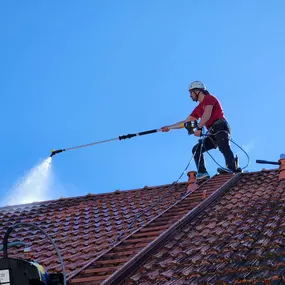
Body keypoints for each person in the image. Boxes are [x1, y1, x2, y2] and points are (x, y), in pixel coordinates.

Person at [161, 80, 237, 180]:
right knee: (197, 149)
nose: (190, 95)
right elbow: (185, 122)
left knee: (224, 146)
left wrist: (200, 127)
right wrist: (169, 127)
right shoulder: (198, 109)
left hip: (220, 126)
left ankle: (232, 168)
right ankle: (203, 173)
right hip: (212, 132)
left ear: (197, 91)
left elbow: (207, 113)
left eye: (191, 92)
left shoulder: (209, 98)